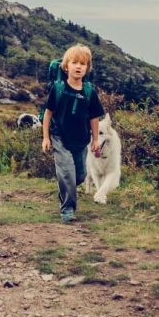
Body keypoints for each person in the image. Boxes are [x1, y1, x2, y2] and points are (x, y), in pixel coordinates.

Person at [42, 44, 105, 223]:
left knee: (79, 176)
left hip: (81, 140)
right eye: (74, 63)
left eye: (83, 64)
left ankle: (65, 188)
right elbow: (48, 114)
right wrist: (46, 137)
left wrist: (95, 140)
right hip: (59, 137)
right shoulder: (58, 88)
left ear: (87, 68)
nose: (78, 66)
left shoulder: (89, 92)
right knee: (67, 174)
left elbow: (94, 117)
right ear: (66, 66)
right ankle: (67, 209)